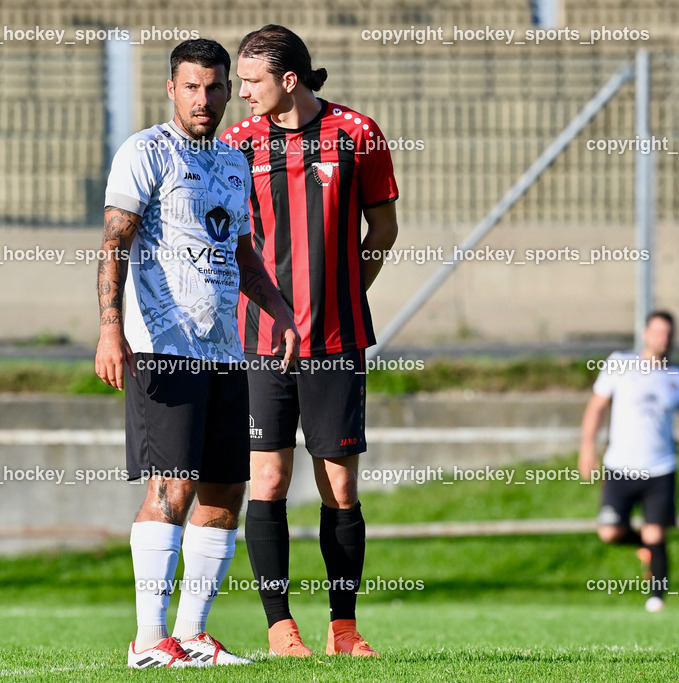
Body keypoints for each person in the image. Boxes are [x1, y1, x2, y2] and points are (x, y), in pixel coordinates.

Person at [95, 38, 299, 668]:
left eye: (215, 87)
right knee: (173, 487)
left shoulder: (234, 162)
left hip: (224, 352)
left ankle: (190, 636)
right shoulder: (145, 152)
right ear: (171, 89)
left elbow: (239, 251)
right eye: (192, 87)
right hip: (162, 349)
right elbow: (114, 245)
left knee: (224, 492)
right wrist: (110, 329)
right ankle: (149, 640)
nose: (205, 98)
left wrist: (280, 311)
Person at [221, 25, 399, 657]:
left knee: (340, 488)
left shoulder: (358, 133)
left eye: (250, 81)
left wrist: (348, 292)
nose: (240, 94)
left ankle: (344, 629)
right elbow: (232, 242)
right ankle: (279, 627)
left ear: (287, 80)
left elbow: (384, 225)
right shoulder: (237, 145)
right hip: (264, 342)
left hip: (336, 340)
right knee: (266, 479)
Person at [579, 310, 679, 613]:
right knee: (610, 532)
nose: (663, 339)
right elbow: (597, 406)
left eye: (668, 334)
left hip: (660, 467)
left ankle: (657, 599)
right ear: (646, 334)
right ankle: (646, 549)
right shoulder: (620, 364)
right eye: (658, 332)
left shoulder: (675, 376)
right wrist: (587, 447)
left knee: (656, 532)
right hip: (620, 467)